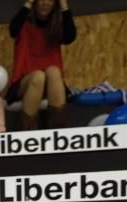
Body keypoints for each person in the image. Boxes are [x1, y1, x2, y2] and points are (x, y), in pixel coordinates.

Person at [8, 0, 77, 130]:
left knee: (53, 71)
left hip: (52, 83)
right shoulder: (24, 21)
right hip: (26, 81)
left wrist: (64, 6)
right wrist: (27, 4)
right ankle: (27, 133)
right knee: (39, 77)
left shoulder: (56, 24)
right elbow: (13, 30)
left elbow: (70, 37)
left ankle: (59, 132)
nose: (45, 3)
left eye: (50, 0)